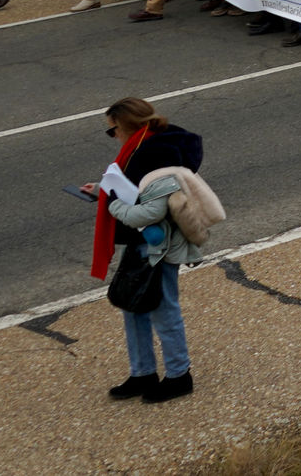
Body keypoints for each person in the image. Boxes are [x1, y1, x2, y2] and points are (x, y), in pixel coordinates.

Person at [88, 96, 211, 402]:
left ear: (128, 126)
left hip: (158, 245)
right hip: (142, 241)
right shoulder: (146, 145)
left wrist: (111, 201)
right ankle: (142, 373)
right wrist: (102, 190)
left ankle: (179, 376)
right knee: (134, 307)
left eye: (112, 130)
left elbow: (150, 211)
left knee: (162, 310)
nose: (112, 136)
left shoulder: (157, 154)